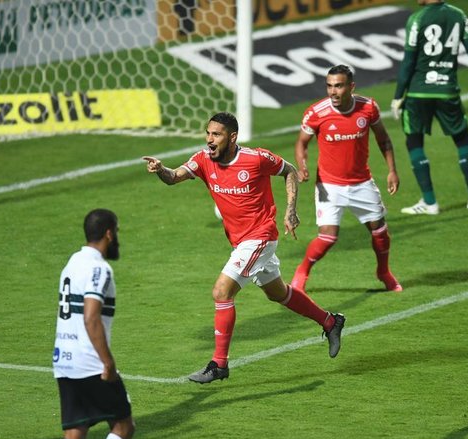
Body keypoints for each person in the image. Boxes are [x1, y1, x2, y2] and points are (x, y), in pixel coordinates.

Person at [143, 112, 346, 384]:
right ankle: (330, 322)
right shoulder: (203, 159)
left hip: (260, 237)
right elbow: (173, 177)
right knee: (278, 293)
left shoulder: (256, 158)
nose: (210, 139)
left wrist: (290, 210)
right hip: (241, 241)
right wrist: (160, 169)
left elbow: (289, 171)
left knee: (221, 291)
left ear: (232, 137)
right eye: (208, 133)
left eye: (216, 134)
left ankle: (219, 364)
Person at [291, 64, 403, 293]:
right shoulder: (316, 113)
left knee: (380, 231)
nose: (333, 91)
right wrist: (302, 166)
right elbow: (302, 143)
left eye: (339, 86)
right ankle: (301, 272)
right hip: (329, 185)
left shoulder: (368, 107)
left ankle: (384, 272)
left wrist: (392, 170)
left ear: (351, 87)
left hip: (362, 182)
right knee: (328, 237)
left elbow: (384, 139)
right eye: (329, 86)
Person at [391, 0, 468, 215]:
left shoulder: (417, 19)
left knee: (414, 141)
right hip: (447, 90)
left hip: (419, 92)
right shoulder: (459, 15)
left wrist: (398, 95)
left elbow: (408, 61)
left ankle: (430, 203)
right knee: (462, 139)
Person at [53, 209, 135, 439]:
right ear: (109, 234)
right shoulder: (99, 268)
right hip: (90, 362)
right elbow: (91, 317)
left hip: (64, 362)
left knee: (75, 431)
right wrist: (107, 362)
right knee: (123, 425)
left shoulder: (72, 262)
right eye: (116, 232)